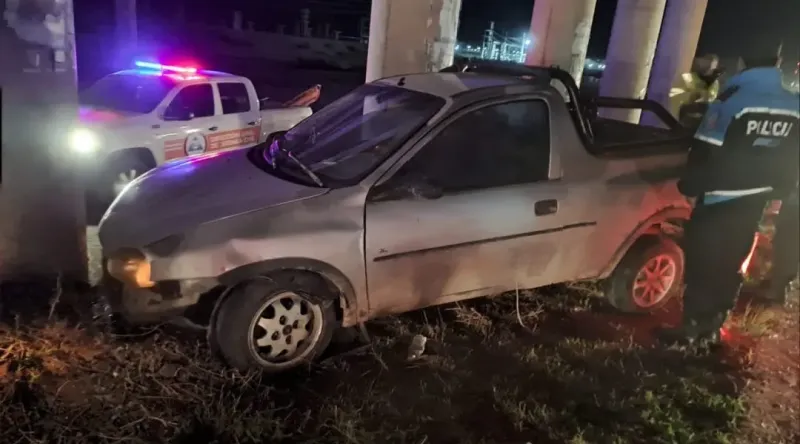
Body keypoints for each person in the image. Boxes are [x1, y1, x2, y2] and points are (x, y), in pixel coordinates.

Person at [656, 43, 800, 346]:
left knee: (703, 264)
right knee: (733, 263)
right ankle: (712, 328)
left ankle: (690, 332)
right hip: (756, 199)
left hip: (720, 197)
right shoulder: (793, 103)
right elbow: (792, 154)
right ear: (778, 61)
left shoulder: (733, 100)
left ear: (743, 62)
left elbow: (706, 150)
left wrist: (689, 188)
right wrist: (780, 189)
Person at [670, 54, 724, 129]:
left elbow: (709, 98)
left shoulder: (713, 85)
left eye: (711, 68)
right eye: (707, 65)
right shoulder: (687, 76)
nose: (708, 68)